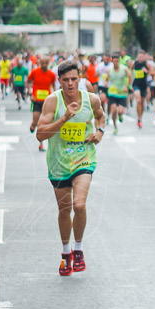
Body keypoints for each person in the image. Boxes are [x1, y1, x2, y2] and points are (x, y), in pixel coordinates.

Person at [36, 60, 106, 276]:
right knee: (64, 210)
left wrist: (99, 132)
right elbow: (40, 134)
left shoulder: (91, 99)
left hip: (84, 160)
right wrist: (65, 118)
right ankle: (66, 253)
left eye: (74, 79)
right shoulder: (52, 102)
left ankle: (78, 249)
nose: (70, 84)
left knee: (79, 205)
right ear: (59, 81)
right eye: (65, 80)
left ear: (80, 78)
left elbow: (100, 116)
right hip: (58, 164)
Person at [29, 57, 58, 152]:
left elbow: (54, 87)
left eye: (46, 63)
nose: (44, 65)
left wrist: (56, 98)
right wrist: (30, 93)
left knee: (44, 123)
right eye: (42, 63)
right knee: (36, 120)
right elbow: (28, 82)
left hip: (47, 101)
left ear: (49, 63)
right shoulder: (34, 72)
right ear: (39, 63)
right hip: (36, 100)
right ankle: (33, 124)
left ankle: (41, 144)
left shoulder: (52, 74)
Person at [103, 56, 132, 134]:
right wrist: (105, 83)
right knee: (113, 110)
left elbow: (130, 76)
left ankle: (120, 115)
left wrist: (128, 86)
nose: (116, 63)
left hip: (122, 92)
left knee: (121, 110)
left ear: (119, 61)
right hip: (112, 92)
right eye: (114, 61)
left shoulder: (124, 69)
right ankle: (115, 126)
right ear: (112, 62)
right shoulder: (109, 70)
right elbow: (106, 79)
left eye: (117, 61)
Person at [131, 52, 150, 129]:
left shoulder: (147, 64)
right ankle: (138, 118)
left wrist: (147, 71)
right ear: (137, 57)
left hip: (144, 85)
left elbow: (153, 73)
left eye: (142, 57)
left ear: (144, 58)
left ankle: (140, 117)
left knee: (142, 103)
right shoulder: (134, 63)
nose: (140, 58)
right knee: (138, 100)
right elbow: (130, 71)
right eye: (139, 57)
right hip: (136, 84)